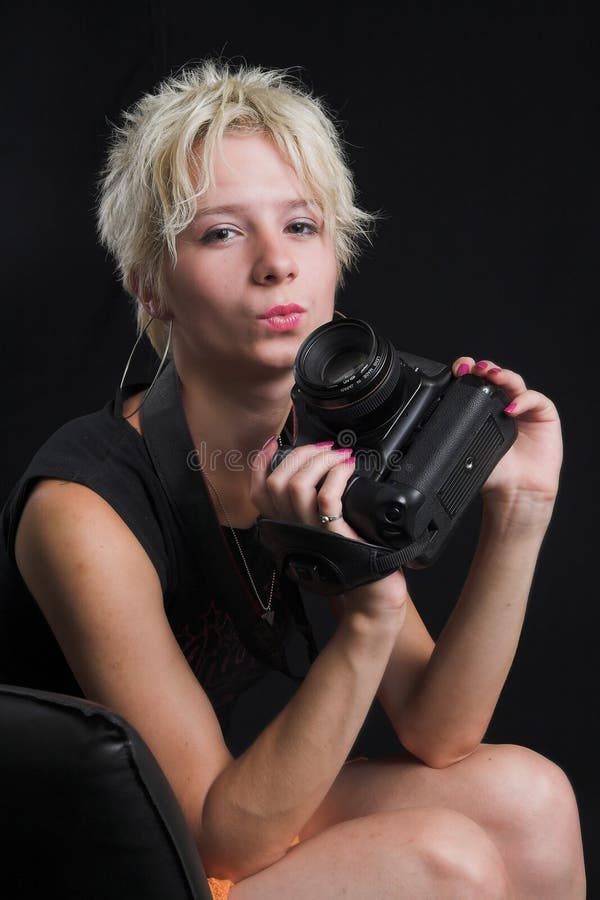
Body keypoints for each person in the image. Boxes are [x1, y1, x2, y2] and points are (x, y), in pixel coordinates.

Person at [0, 59, 586, 898]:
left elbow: (439, 729)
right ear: (150, 286)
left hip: (195, 824)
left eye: (302, 226)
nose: (278, 265)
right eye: (222, 233)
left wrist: (522, 510)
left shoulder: (305, 445)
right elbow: (216, 840)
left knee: (528, 798)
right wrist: (368, 608)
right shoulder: (83, 508)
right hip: (78, 867)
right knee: (444, 865)